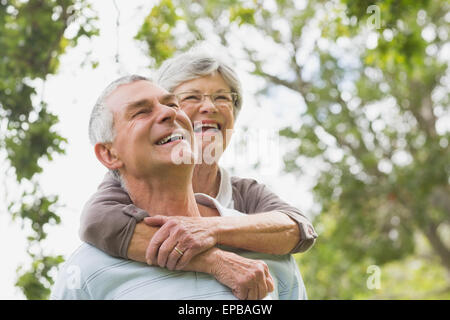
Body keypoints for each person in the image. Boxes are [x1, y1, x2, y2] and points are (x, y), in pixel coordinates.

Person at [78, 47, 318, 299]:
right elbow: (97, 221)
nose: (209, 107)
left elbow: (298, 229)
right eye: (191, 97)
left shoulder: (245, 193)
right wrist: (213, 260)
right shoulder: (120, 189)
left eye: (222, 98)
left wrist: (210, 229)